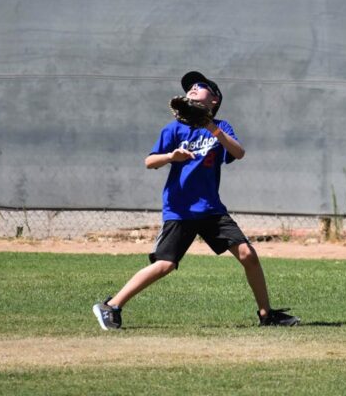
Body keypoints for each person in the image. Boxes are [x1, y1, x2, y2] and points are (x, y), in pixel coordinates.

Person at [92, 70, 299, 329]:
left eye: (200, 86)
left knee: (248, 254)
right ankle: (111, 306)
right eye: (189, 87)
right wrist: (171, 157)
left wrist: (210, 126)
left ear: (214, 100)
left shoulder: (221, 127)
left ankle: (266, 314)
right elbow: (149, 161)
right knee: (165, 265)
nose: (192, 88)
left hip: (211, 209)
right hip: (180, 209)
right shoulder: (174, 129)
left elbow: (239, 152)